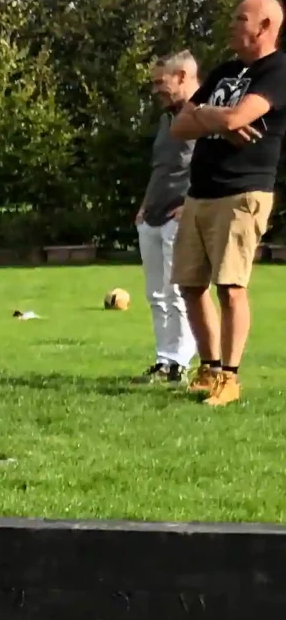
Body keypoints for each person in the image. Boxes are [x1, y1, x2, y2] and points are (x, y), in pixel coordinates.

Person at [168, 0, 286, 405]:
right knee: (190, 284)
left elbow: (239, 117)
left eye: (241, 18)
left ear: (265, 26)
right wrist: (212, 119)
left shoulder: (278, 70)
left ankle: (230, 379)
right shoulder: (225, 71)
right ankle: (209, 368)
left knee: (231, 287)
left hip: (243, 192)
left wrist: (208, 117)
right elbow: (179, 126)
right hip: (201, 193)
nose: (233, 25)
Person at [134, 52, 197, 384]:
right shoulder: (165, 119)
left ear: (183, 77)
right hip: (153, 215)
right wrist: (144, 207)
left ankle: (180, 362)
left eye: (161, 82)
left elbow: (211, 164)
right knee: (155, 293)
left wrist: (190, 204)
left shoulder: (202, 114)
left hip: (179, 215)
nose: (156, 89)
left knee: (179, 291)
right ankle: (163, 359)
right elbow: (160, 167)